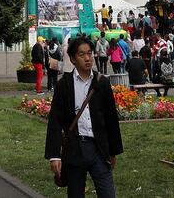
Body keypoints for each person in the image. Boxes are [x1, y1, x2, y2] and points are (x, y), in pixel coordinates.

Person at [45, 34, 123, 198]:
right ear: (73, 59)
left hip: (99, 149)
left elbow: (111, 118)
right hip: (75, 149)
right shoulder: (64, 85)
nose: (88, 58)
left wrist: (113, 150)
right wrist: (54, 155)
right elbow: (55, 120)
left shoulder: (101, 82)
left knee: (108, 193)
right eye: (82, 54)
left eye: (90, 53)